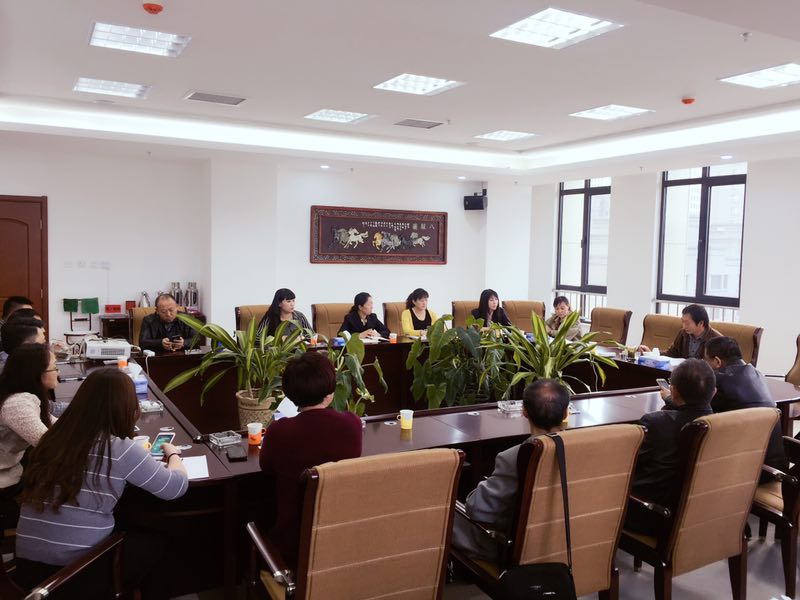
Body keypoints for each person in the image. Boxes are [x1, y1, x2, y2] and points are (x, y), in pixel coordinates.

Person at [14, 368, 188, 599]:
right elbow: (175, 487)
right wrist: (173, 454)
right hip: (72, 575)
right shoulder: (119, 449)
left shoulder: (52, 438)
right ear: (127, 408)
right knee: (157, 543)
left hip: (26, 570)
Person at [259, 352, 362, 568]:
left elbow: (266, 468)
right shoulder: (352, 424)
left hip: (292, 549)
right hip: (342, 543)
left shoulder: (280, 431)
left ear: (290, 393)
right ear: (330, 392)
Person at [451, 379, 570, 560]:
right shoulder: (585, 449)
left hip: (510, 550)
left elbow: (476, 509)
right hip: (565, 540)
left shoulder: (514, 458)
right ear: (566, 412)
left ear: (524, 412)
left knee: (445, 515)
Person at [626, 359, 714, 534]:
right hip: (700, 516)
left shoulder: (656, 424)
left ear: (673, 391)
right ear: (714, 393)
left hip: (650, 515)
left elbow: (629, 465)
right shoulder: (721, 425)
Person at [704, 336, 787, 479]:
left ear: (717, 361)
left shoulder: (720, 381)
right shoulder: (758, 375)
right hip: (775, 467)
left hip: (748, 472)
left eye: (706, 360)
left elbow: (698, 409)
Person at [0, 344, 58, 524]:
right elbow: (50, 445)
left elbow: (58, 426)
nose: (58, 372)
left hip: (12, 470)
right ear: (37, 373)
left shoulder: (24, 396)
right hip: (4, 482)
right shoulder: (18, 403)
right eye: (55, 367)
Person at [638, 304, 721, 358]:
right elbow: (671, 353)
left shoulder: (716, 339)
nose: (684, 326)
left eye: (687, 323)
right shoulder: (683, 333)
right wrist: (650, 353)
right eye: (682, 322)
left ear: (701, 323)